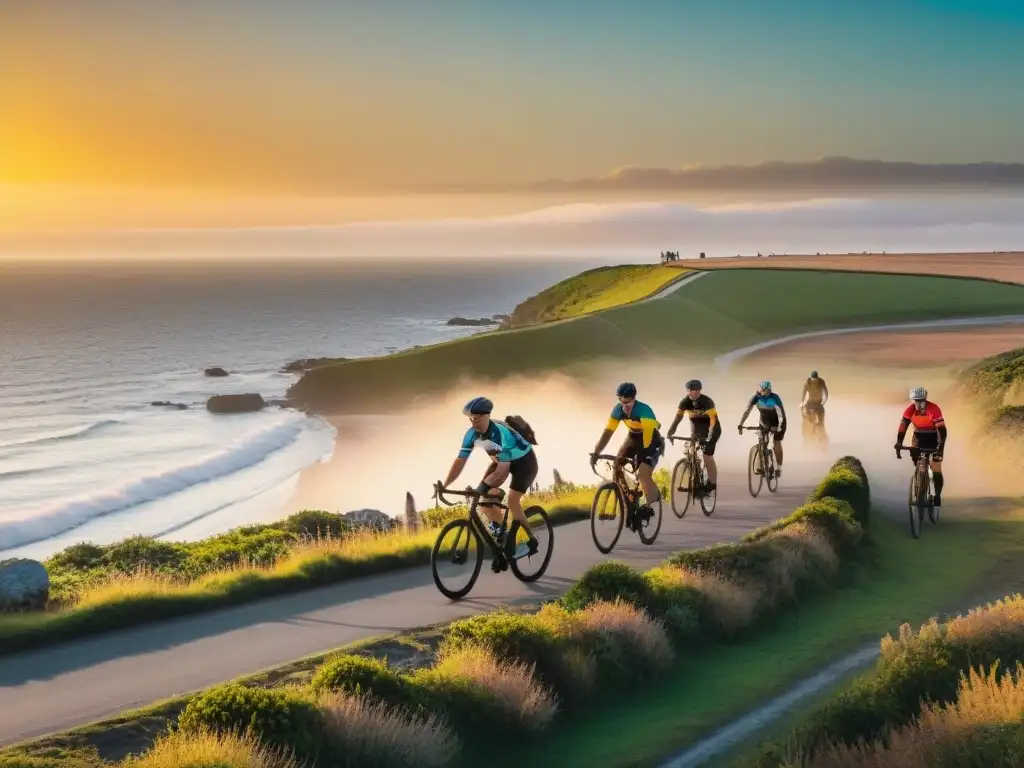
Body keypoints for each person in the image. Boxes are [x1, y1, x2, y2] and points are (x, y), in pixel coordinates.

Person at [439, 396, 539, 558]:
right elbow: (460, 461)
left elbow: (502, 472)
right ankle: (505, 538)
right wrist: (445, 485)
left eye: (476, 419)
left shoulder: (501, 434)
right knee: (484, 500)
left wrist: (483, 486)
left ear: (487, 416)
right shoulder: (472, 434)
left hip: (524, 463)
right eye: (471, 419)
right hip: (500, 461)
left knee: (513, 502)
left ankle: (532, 539)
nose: (473, 422)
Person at [590, 382, 663, 527]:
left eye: (628, 402)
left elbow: (648, 437)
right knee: (617, 464)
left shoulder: (644, 410)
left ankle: (651, 502)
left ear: (634, 398)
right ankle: (628, 496)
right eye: (622, 402)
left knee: (643, 473)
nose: (625, 406)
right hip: (633, 437)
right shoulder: (618, 410)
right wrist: (597, 452)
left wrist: (642, 457)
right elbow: (608, 433)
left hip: (651, 439)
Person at [666, 378, 721, 493]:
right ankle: (694, 471)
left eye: (692, 390)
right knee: (689, 451)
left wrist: (709, 438)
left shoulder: (707, 402)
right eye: (688, 390)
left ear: (699, 391)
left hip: (712, 429)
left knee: (707, 457)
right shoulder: (685, 402)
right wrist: (670, 432)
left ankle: (712, 483)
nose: (689, 392)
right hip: (696, 430)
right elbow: (678, 418)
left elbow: (713, 421)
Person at [895, 386, 947, 506]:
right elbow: (903, 427)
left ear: (925, 399)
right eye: (916, 401)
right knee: (916, 457)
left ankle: (937, 494)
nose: (919, 403)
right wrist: (899, 442)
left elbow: (942, 431)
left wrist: (940, 449)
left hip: (935, 436)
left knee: (936, 467)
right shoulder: (910, 410)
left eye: (921, 400)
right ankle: (920, 477)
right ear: (913, 400)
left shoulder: (934, 409)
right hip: (918, 436)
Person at [737, 380, 787, 477]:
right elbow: (747, 411)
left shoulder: (775, 397)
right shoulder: (756, 397)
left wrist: (779, 427)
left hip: (778, 422)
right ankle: (763, 464)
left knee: (776, 443)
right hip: (764, 422)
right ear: (760, 389)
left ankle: (779, 467)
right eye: (763, 390)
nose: (765, 392)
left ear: (770, 390)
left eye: (767, 390)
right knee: (763, 442)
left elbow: (781, 414)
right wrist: (741, 424)